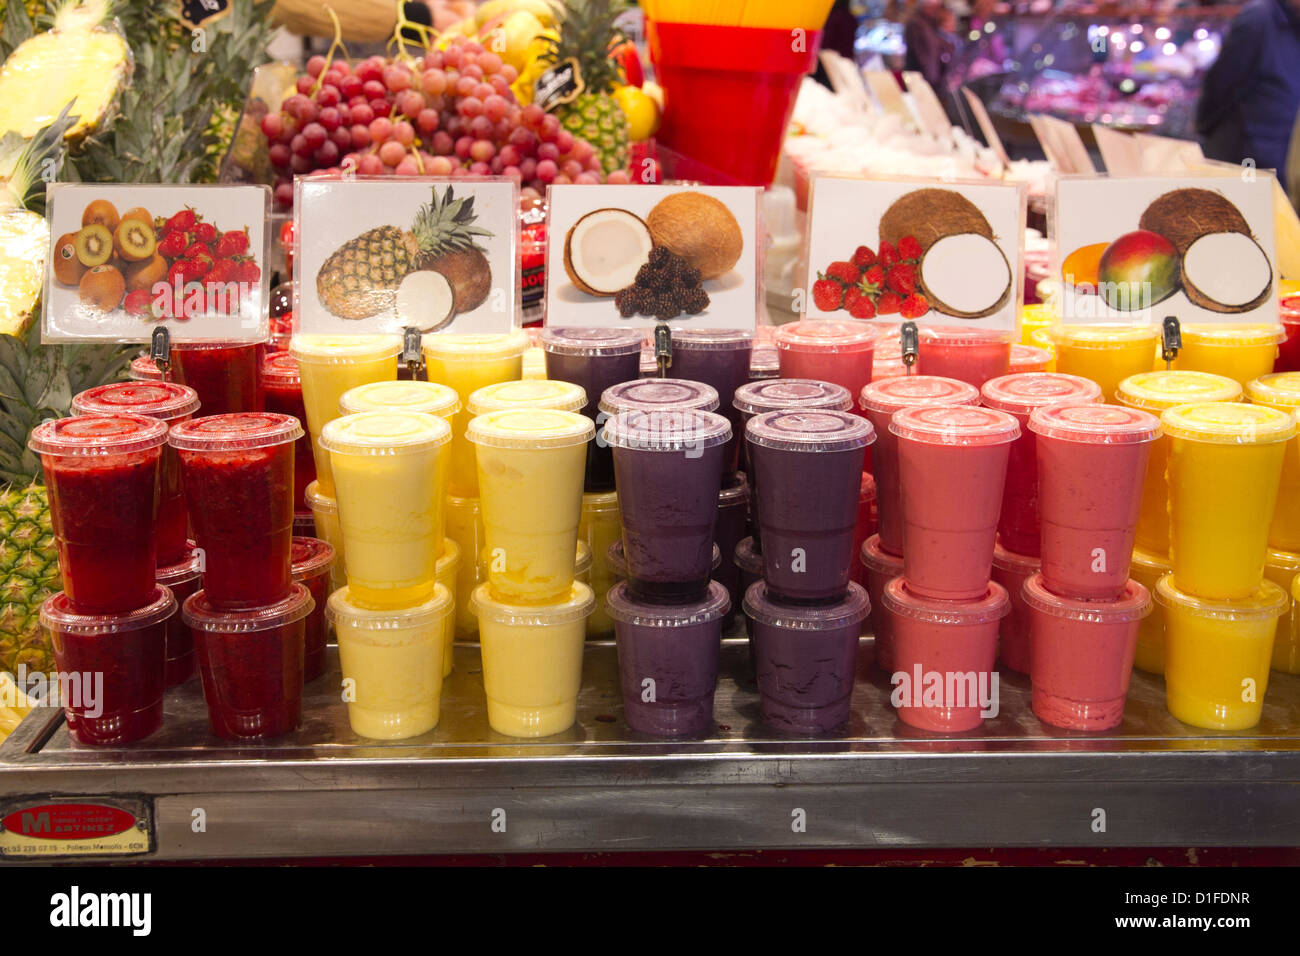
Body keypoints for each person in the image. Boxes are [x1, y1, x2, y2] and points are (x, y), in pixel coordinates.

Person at [1196, 0, 1300, 177]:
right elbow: (1221, 82)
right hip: (1244, 154)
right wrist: (1203, 127)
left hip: (1282, 155)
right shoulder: (1259, 18)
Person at [904, 0, 956, 90]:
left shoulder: (929, 24)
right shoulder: (917, 25)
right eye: (937, 8)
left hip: (927, 80)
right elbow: (925, 58)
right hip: (920, 81)